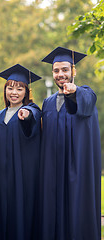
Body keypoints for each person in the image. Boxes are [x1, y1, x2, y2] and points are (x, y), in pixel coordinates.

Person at [40, 47, 101, 240]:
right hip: (54, 168)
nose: (61, 75)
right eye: (56, 71)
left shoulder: (86, 94)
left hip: (77, 169)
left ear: (73, 71)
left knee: (76, 209)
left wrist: (74, 92)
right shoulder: (47, 103)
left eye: (65, 70)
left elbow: (86, 101)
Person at [0, 64, 42, 240]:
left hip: (21, 177)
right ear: (5, 90)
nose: (14, 92)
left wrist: (26, 114)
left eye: (20, 89)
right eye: (10, 88)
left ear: (26, 93)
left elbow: (31, 117)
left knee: (20, 214)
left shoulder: (32, 110)